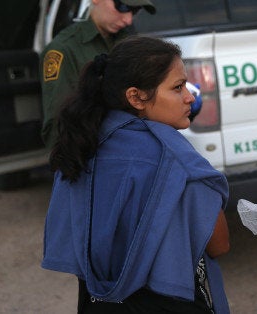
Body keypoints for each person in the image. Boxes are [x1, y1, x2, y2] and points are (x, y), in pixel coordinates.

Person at [41, 35, 230, 314]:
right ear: (136, 97)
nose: (190, 96)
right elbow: (219, 244)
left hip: (98, 303)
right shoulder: (175, 156)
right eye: (178, 87)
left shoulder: (82, 144)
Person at [40, 0, 156, 148]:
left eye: (135, 11)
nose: (128, 19)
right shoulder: (64, 50)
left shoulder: (130, 43)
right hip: (95, 155)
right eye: (123, 7)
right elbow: (57, 126)